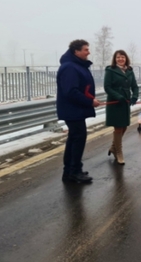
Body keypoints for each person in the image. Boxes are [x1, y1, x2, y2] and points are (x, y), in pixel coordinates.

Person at [57, 39, 101, 184]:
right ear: (76, 51)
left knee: (74, 139)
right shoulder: (70, 67)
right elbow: (71, 92)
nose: (88, 52)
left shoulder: (75, 65)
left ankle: (70, 171)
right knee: (78, 139)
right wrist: (89, 102)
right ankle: (74, 172)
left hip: (75, 110)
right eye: (85, 49)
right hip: (72, 110)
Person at [104, 50, 139, 165]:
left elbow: (134, 86)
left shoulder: (129, 71)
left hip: (125, 102)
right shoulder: (110, 70)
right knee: (118, 128)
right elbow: (107, 87)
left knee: (124, 127)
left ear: (126, 59)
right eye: (118, 57)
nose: (120, 59)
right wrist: (118, 96)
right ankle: (119, 153)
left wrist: (135, 96)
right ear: (115, 59)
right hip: (115, 102)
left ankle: (113, 147)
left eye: (122, 57)